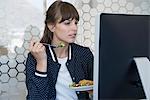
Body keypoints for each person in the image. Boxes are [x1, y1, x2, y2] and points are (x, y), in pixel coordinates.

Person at [25, 1, 94, 100]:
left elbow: (99, 90)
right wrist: (41, 62)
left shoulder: (84, 54)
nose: (74, 28)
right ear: (51, 26)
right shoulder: (35, 57)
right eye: (67, 23)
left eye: (76, 23)